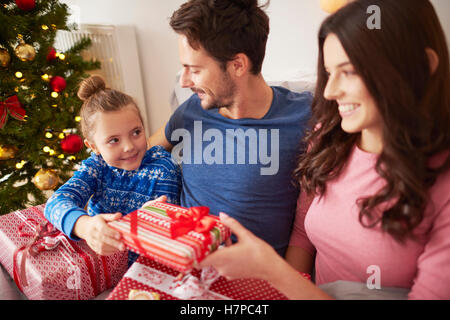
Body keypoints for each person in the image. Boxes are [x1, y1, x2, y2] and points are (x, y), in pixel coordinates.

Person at [200, 0, 450, 300]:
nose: (330, 91)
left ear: (421, 67)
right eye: (329, 73)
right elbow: (304, 235)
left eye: (350, 72)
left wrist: (272, 271)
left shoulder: (441, 181)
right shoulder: (329, 139)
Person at [148, 0, 312, 257]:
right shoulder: (192, 110)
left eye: (195, 69)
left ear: (238, 65)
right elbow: (138, 155)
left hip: (254, 281)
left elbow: (307, 227)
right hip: (183, 263)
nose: (184, 81)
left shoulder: (305, 117)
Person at [44, 75, 181, 258]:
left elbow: (166, 240)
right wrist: (84, 226)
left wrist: (144, 220)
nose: (129, 146)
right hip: (102, 267)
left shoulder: (163, 170)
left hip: (144, 266)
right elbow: (55, 202)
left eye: (136, 132)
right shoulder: (97, 166)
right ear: (93, 147)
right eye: (114, 140)